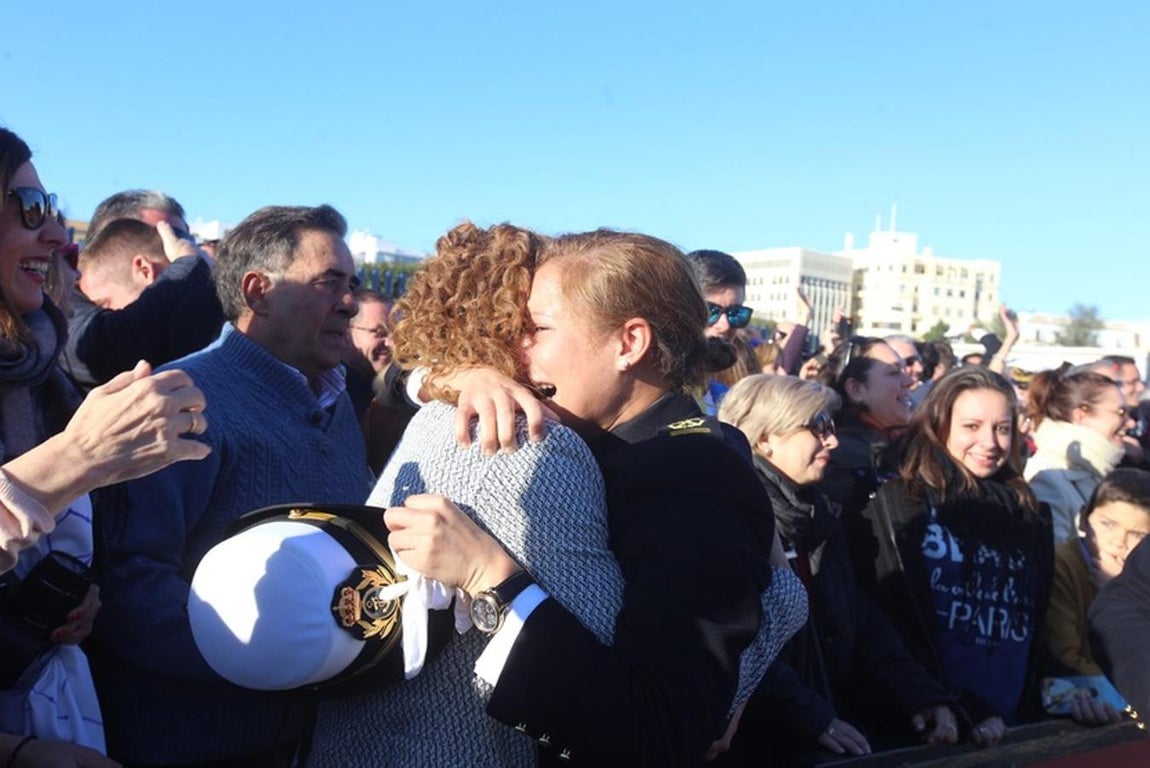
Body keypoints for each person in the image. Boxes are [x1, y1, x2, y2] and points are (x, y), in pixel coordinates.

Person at [383, 229, 784, 766]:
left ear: (629, 343)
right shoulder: (606, 438)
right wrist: (460, 374)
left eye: (538, 330)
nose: (516, 352)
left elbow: (658, 731)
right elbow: (391, 380)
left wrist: (493, 580)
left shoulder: (692, 473)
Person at [90, 204, 373, 766]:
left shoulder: (338, 402)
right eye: (328, 283)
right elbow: (130, 586)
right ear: (258, 291)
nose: (351, 303)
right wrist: (277, 658)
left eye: (353, 285)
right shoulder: (178, 400)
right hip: (189, 743)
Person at [0, 126, 208, 764]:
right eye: (29, 209)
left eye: (52, 208)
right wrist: (76, 460)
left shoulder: (39, 375)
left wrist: (73, 599)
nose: (59, 236)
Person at [718, 375, 957, 762]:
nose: (832, 441)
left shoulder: (819, 513)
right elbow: (741, 641)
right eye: (817, 428)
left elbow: (857, 619)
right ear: (764, 439)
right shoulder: (732, 517)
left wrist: (920, 692)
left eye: (830, 427)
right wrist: (812, 716)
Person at [851, 366, 1054, 747]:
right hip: (926, 721)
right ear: (939, 425)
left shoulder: (1030, 513)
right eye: (972, 426)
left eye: (1003, 428)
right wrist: (947, 702)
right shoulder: (895, 500)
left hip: (1010, 726)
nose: (990, 441)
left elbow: (1036, 628)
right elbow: (883, 621)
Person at [61, 191, 223, 391]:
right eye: (168, 238)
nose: (175, 247)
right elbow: (110, 345)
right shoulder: (61, 309)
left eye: (181, 238)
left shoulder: (173, 315)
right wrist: (189, 263)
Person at [1042, 468, 1150, 678]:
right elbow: (1066, 658)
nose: (1118, 541)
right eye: (1108, 524)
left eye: (1137, 534)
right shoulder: (1061, 566)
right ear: (1083, 518)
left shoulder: (1143, 576)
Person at [1025, 365, 1131, 543]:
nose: (1130, 422)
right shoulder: (1047, 478)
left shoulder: (1096, 470)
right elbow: (1055, 562)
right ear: (1081, 415)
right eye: (1121, 413)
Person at [819, 336, 913, 520]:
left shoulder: (898, 444)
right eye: (894, 372)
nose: (909, 381)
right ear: (856, 389)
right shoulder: (846, 459)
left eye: (904, 370)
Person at [684, 248, 752, 414]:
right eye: (711, 311)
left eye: (736, 313)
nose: (725, 325)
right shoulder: (647, 392)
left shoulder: (729, 400)